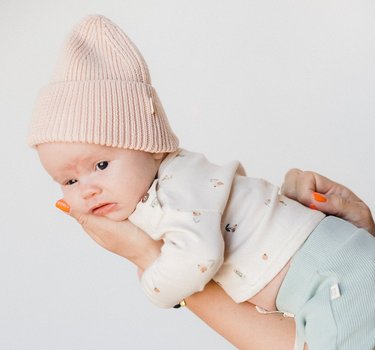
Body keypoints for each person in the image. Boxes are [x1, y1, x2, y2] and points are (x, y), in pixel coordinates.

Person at [28, 14, 375, 350]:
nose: (87, 188)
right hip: (342, 268)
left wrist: (153, 276)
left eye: (101, 164)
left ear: (148, 147)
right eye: (69, 180)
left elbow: (201, 255)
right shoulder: (182, 175)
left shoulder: (175, 190)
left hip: (337, 279)